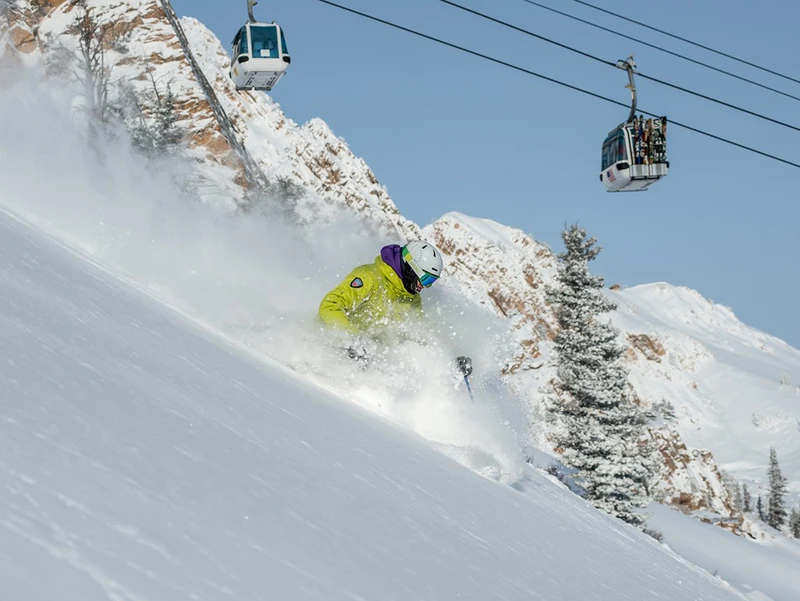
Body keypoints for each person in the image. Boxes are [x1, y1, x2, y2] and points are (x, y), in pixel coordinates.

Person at [318, 240, 443, 337]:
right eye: (426, 279)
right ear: (411, 268)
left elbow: (417, 334)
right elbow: (329, 306)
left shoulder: (412, 299)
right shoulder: (369, 277)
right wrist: (355, 341)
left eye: (432, 281)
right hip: (329, 346)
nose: (425, 286)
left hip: (368, 357)